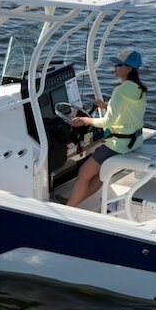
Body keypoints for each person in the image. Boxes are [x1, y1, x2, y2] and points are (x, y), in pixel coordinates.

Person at [64, 49, 148, 207]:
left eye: (118, 65)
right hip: (135, 141)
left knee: (83, 173)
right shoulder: (139, 89)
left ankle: (69, 207)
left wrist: (84, 120)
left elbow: (107, 123)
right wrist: (105, 105)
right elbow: (128, 110)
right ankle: (73, 202)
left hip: (119, 145)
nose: (114, 67)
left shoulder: (120, 91)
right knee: (100, 176)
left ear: (128, 69)